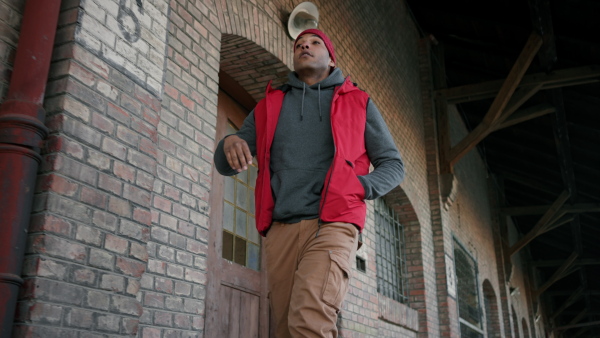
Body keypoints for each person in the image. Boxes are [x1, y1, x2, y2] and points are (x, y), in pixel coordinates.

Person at [214, 29, 404, 338]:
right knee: (287, 330)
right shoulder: (268, 106)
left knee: (308, 323)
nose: (305, 45)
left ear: (331, 59)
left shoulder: (358, 102)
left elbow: (393, 165)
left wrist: (357, 187)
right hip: (281, 229)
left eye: (315, 42)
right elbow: (226, 164)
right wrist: (229, 143)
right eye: (299, 43)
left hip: (333, 223)